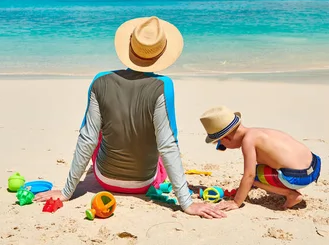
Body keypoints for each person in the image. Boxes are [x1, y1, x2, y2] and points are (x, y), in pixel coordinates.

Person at [35, 16, 226, 219]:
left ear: (129, 47)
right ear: (161, 53)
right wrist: (186, 203)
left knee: (98, 131)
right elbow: (167, 145)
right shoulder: (163, 86)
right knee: (159, 138)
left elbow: (87, 139)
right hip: (144, 184)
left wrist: (66, 192)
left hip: (104, 179)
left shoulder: (100, 81)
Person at [199, 106, 321, 210]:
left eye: (221, 146)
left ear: (225, 139)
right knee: (261, 166)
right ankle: (285, 187)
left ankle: (291, 194)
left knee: (255, 176)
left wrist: (236, 202)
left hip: (298, 177)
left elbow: (249, 175)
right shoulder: (256, 132)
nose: (223, 147)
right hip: (315, 166)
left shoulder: (248, 142)